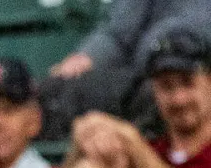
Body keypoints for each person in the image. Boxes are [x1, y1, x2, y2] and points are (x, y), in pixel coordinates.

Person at [18, 30, 211, 168]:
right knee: (107, 149)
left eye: (187, 83)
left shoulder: (141, 153)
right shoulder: (148, 153)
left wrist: (131, 140)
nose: (178, 98)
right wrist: (80, 144)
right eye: (166, 86)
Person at [42, 0, 211, 138]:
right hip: (145, 67)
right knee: (58, 88)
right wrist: (87, 56)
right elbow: (117, 33)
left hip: (196, 66)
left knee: (162, 93)